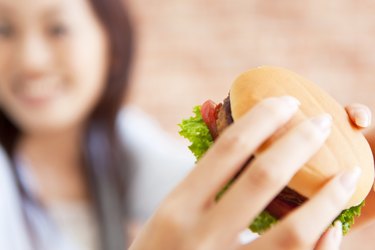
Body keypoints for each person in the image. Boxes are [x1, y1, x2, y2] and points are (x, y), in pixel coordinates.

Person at [0, 0, 371, 249]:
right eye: (4, 31)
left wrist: (302, 199)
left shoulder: (130, 145)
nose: (30, 60)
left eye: (58, 29)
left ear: (110, 41)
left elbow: (199, 197)